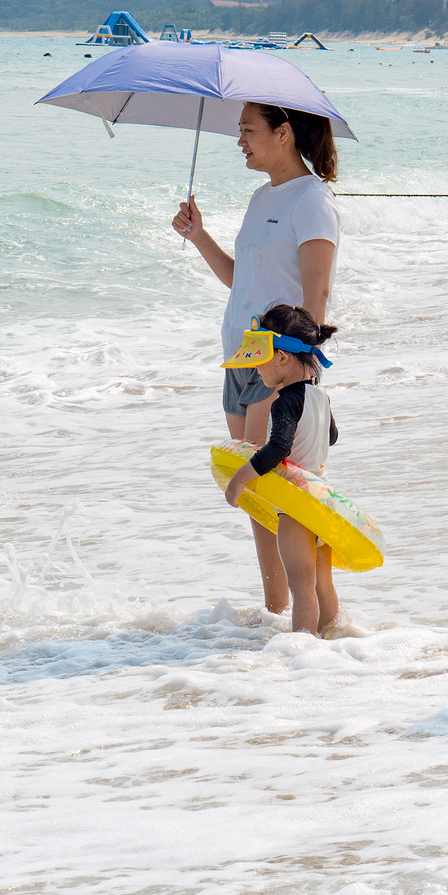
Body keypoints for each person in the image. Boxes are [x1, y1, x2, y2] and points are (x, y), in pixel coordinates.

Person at [173, 104, 340, 614]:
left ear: (283, 133)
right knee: (257, 496)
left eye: (248, 130)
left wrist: (296, 371)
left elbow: (318, 293)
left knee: (279, 488)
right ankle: (276, 610)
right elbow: (241, 282)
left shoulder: (312, 201)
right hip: (239, 360)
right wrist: (198, 235)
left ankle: (304, 617)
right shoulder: (260, 197)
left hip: (277, 364)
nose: (240, 140)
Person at [223, 304, 341, 635]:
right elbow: (331, 436)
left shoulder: (285, 401)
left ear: (282, 358)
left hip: (297, 506)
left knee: (301, 587)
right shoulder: (320, 395)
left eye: (260, 357)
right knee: (322, 582)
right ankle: (334, 637)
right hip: (324, 498)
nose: (255, 368)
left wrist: (238, 482)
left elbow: (277, 449)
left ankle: (300, 651)